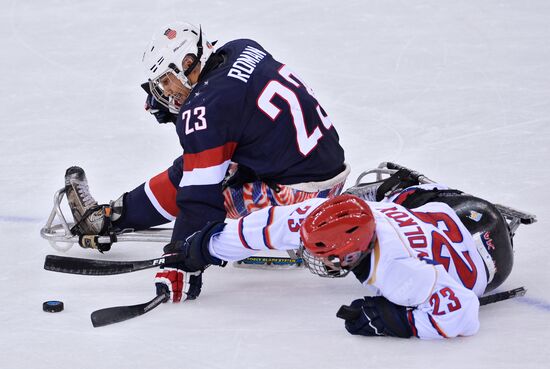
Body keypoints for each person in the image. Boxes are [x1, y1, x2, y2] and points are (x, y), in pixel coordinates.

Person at [64, 21, 349, 252]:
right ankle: (118, 213)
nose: (165, 91)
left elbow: (197, 198)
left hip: (300, 198)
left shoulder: (207, 106)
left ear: (187, 61)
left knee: (194, 174)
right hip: (326, 170)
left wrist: (180, 257)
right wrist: (182, 112)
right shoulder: (242, 48)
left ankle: (107, 219)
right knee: (208, 158)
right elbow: (236, 109)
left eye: (166, 80)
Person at [152, 168, 516, 339]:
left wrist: (400, 323)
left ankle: (409, 189)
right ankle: (407, 192)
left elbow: (462, 312)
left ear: (348, 255)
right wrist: (206, 246)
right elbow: (276, 224)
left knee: (397, 194)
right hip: (467, 214)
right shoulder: (349, 217)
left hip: (489, 257)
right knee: (390, 196)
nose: (311, 257)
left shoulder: (397, 273)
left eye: (322, 255)